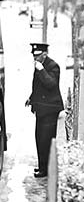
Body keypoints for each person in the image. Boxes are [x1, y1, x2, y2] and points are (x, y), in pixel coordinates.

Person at [25, 42, 64, 177]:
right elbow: (38, 86)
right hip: (41, 110)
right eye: (34, 56)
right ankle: (42, 166)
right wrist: (31, 98)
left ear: (45, 54)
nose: (35, 59)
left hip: (50, 110)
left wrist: (41, 70)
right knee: (39, 139)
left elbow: (51, 84)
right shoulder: (39, 65)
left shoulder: (53, 66)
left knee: (46, 140)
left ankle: (45, 169)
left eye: (37, 56)